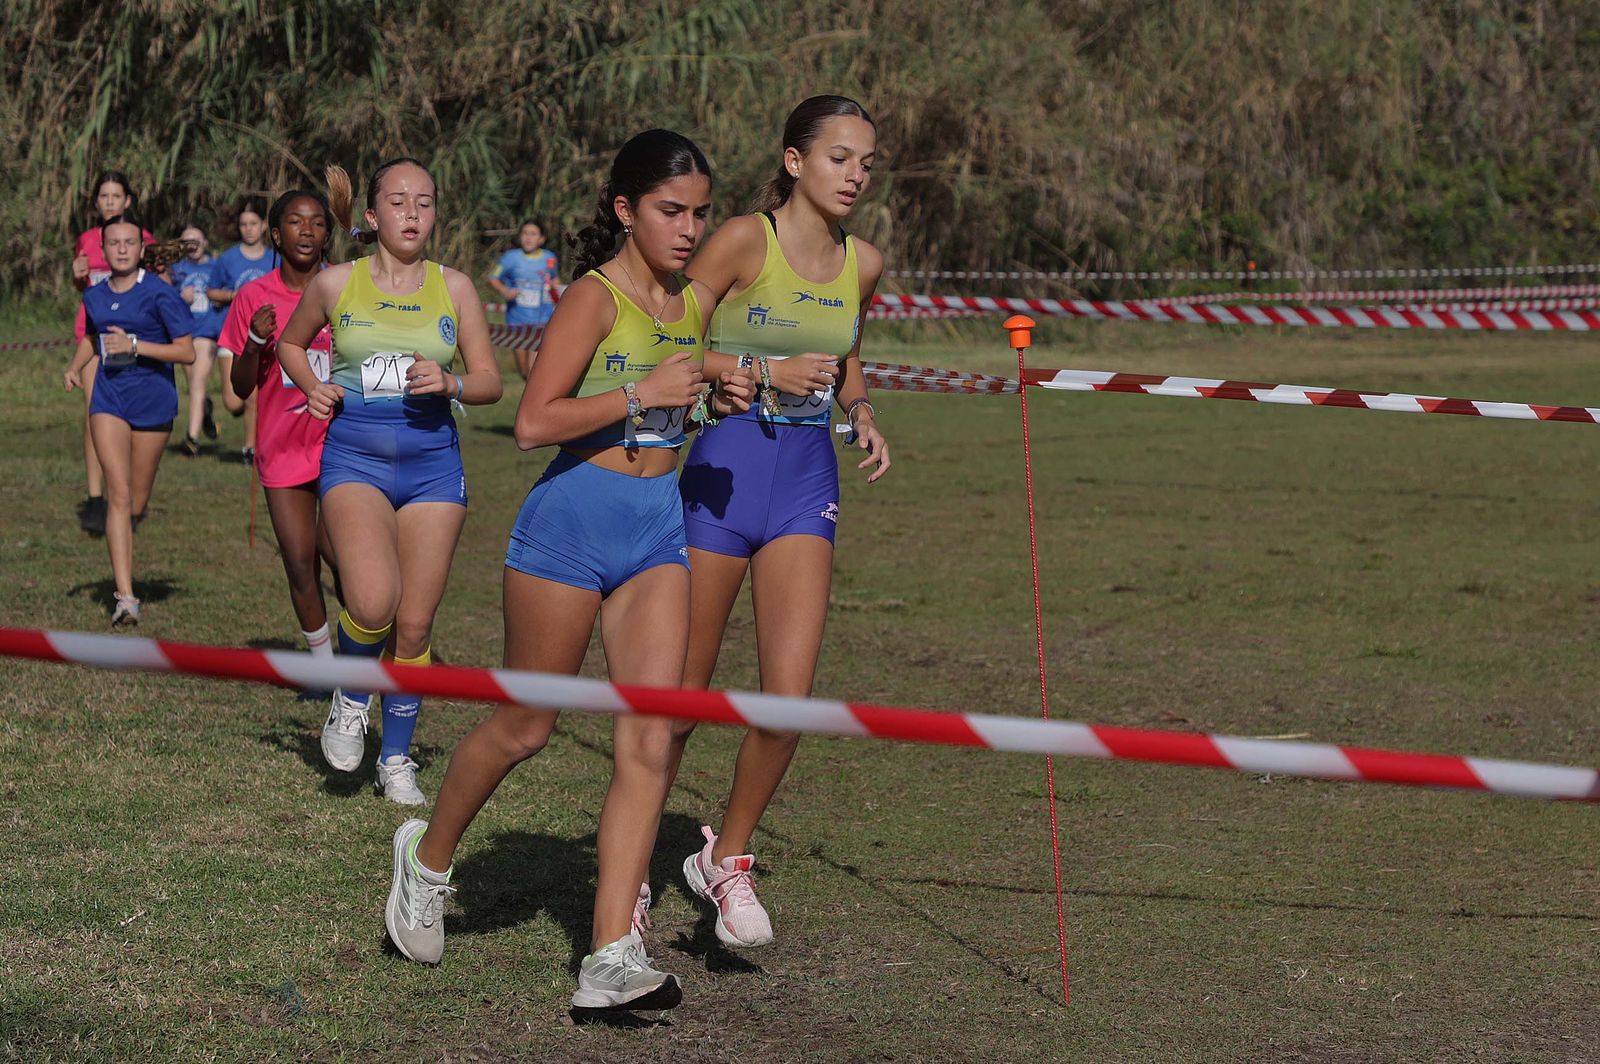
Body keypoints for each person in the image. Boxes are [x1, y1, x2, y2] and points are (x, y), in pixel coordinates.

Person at [383, 130, 751, 1013]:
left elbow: (673, 396)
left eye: (700, 212)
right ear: (626, 211)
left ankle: (611, 954)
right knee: (525, 728)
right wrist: (642, 396)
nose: (689, 229)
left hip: (656, 534)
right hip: (569, 529)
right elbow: (534, 422)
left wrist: (712, 392)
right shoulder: (593, 296)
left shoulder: (690, 305)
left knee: (651, 736)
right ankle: (426, 862)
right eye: (671, 211)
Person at [670, 95, 891, 948]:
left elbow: (845, 354)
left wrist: (862, 408)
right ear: (795, 161)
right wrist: (760, 368)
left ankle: (725, 859)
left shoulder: (863, 262)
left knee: (788, 701)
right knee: (677, 702)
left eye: (866, 162)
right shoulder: (739, 240)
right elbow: (666, 337)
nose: (856, 175)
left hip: (806, 482)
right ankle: (633, 875)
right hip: (722, 474)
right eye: (840, 157)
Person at [276, 157, 502, 805]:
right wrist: (316, 388)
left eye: (424, 202)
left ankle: (396, 759)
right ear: (372, 217)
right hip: (355, 461)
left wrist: (452, 381)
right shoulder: (333, 284)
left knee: (414, 626)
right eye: (398, 202)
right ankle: (351, 699)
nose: (412, 214)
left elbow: (490, 381)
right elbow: (292, 345)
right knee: (372, 602)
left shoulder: (454, 288)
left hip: (433, 467)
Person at [223, 190, 341, 660]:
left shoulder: (344, 287)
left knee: (344, 561)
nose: (307, 231)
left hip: (341, 445)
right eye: (295, 222)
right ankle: (326, 669)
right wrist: (253, 341)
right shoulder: (254, 297)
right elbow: (240, 388)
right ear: (276, 233)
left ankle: (369, 656)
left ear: (328, 233)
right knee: (300, 564)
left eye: (316, 223)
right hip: (284, 449)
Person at [63, 217, 196, 625]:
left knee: (135, 500)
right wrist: (74, 367)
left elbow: (186, 353)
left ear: (142, 248)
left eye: (129, 243)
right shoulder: (95, 296)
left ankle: (126, 574)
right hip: (109, 400)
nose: (121, 249)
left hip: (153, 404)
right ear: (103, 250)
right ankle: (126, 597)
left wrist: (136, 346)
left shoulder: (160, 294)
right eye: (114, 243)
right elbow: (91, 337)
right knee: (117, 496)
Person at [70, 172, 153, 535]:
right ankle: (95, 497)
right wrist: (76, 276)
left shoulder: (143, 239)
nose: (109, 202)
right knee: (95, 412)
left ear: (128, 201)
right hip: (93, 335)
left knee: (134, 416)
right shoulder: (87, 240)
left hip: (136, 338)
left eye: (115, 196)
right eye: (103, 196)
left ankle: (126, 496)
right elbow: (84, 286)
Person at [208, 197, 278, 464]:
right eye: (243, 224)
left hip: (265, 337)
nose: (248, 229)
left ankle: (250, 448)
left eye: (253, 223)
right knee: (234, 402)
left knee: (253, 396)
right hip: (233, 333)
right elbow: (211, 291)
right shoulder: (227, 259)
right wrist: (235, 295)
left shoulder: (276, 258)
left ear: (262, 226)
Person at [170, 225, 224, 455]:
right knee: (194, 383)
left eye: (197, 240)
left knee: (197, 382)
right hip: (184, 333)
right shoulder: (176, 270)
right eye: (187, 241)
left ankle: (192, 439)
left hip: (208, 332)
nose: (192, 245)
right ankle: (205, 409)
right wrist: (180, 299)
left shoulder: (217, 266)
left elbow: (228, 291)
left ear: (205, 243)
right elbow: (164, 300)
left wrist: (219, 298)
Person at [484, 220, 559, 379]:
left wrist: (555, 288)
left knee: (534, 371)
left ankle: (537, 402)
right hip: (517, 322)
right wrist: (505, 290)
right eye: (525, 233)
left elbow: (555, 279)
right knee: (524, 372)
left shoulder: (549, 259)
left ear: (541, 239)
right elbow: (492, 278)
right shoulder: (511, 258)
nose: (528, 238)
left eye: (533, 234)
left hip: (542, 321)